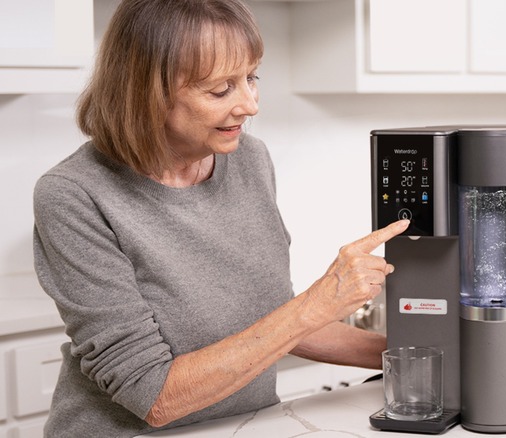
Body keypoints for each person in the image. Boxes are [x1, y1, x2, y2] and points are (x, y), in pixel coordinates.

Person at [32, 0, 409, 436]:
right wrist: (315, 304)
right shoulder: (74, 194)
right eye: (220, 90)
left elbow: (269, 322)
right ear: (145, 90)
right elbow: (151, 395)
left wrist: (415, 353)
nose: (249, 106)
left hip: (243, 426)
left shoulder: (248, 158)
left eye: (251, 78)